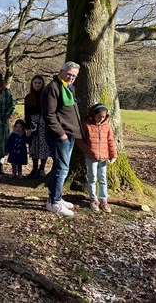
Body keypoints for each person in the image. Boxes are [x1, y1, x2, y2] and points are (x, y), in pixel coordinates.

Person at [42, 61, 84, 217]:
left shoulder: (69, 87)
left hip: (70, 134)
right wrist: (61, 133)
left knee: (60, 167)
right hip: (59, 136)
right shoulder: (53, 88)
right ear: (61, 71)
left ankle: (54, 197)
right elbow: (49, 115)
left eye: (74, 76)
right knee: (62, 168)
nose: (72, 77)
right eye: (69, 74)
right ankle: (55, 202)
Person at [76, 103, 117, 213]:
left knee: (103, 179)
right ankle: (93, 199)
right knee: (92, 178)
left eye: (103, 117)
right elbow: (79, 139)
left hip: (103, 157)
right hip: (91, 157)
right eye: (99, 117)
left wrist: (113, 155)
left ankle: (104, 199)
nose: (101, 119)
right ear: (93, 115)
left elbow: (111, 141)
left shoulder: (107, 126)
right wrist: (87, 150)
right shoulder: (87, 126)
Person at [24, 74, 50, 178]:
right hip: (33, 123)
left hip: (44, 122)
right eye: (35, 83)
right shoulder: (28, 97)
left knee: (43, 146)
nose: (37, 85)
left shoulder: (46, 96)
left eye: (39, 83)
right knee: (33, 146)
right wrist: (27, 127)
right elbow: (26, 113)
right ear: (32, 84)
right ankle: (34, 168)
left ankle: (42, 168)